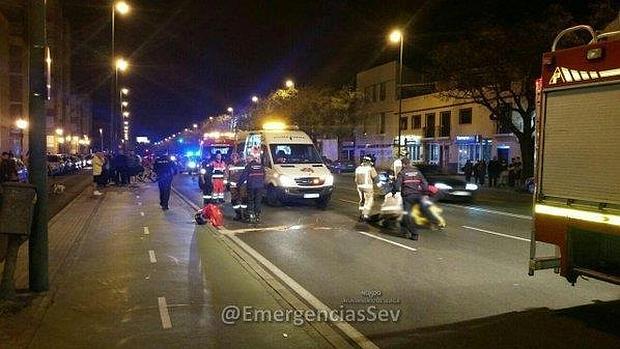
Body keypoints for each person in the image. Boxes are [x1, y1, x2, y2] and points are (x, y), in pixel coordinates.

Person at [393, 157, 429, 240]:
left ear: (404, 164)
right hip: (417, 196)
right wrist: (426, 193)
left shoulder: (402, 173)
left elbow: (397, 185)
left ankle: (414, 233)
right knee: (410, 214)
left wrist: (394, 192)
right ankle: (404, 230)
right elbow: (424, 183)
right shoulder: (417, 172)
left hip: (407, 197)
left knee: (407, 215)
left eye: (402, 164)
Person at [239, 154, 265, 223]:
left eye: (247, 159)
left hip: (251, 186)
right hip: (260, 186)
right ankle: (257, 216)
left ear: (249, 159)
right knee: (258, 201)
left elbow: (243, 177)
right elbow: (264, 176)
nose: (246, 161)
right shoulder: (261, 166)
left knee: (250, 200)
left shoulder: (248, 166)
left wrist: (238, 185)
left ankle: (250, 216)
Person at [354, 155, 378, 222]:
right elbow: (375, 177)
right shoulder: (370, 168)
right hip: (367, 187)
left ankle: (361, 214)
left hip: (359, 187)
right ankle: (365, 215)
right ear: (369, 162)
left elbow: (355, 180)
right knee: (369, 201)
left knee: (362, 201)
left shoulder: (358, 168)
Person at [227, 153, 247, 221]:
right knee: (234, 200)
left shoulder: (243, 164)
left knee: (243, 199)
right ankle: (238, 214)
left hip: (242, 185)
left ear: (237, 158)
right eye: (233, 158)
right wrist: (227, 183)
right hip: (234, 186)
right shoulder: (229, 165)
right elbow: (227, 175)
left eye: (235, 157)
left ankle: (244, 214)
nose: (234, 159)